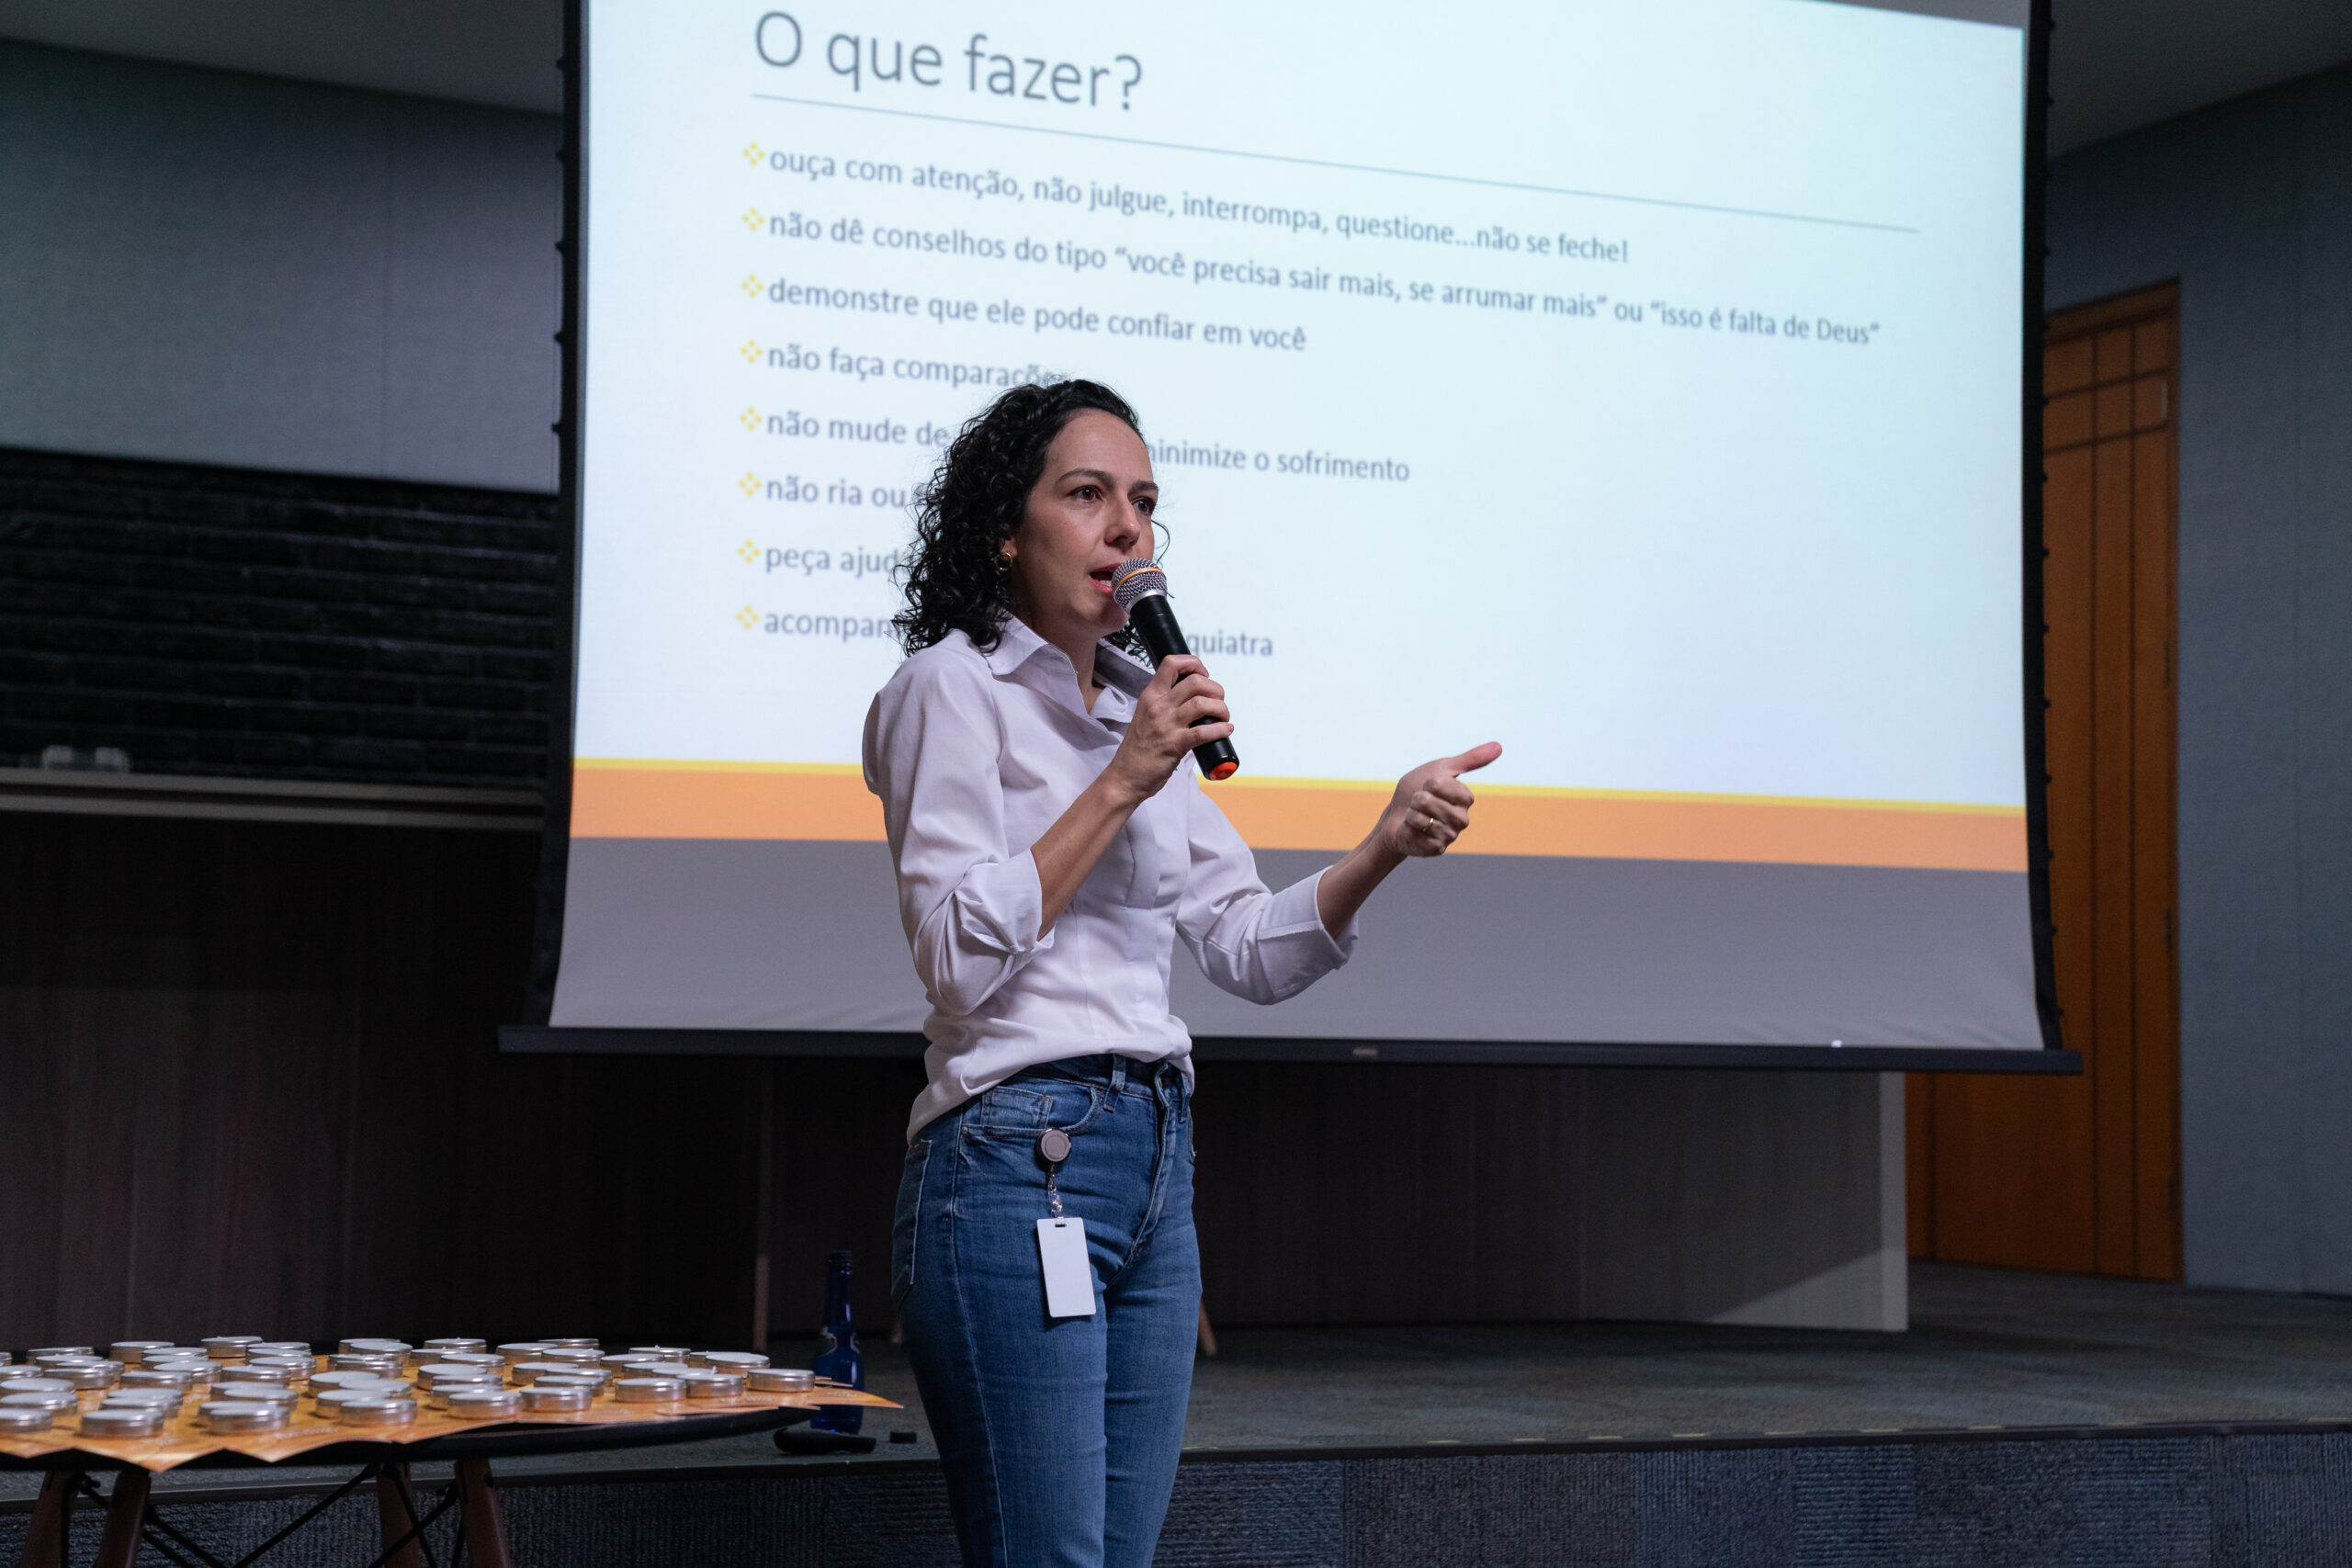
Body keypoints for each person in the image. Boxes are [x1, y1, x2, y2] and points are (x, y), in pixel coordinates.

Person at [864, 378, 1500, 1567]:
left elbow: (1248, 949)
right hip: (1017, 1163)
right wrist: (1121, 781)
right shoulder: (950, 689)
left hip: (1156, 1165)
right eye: (1088, 495)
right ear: (1007, 528)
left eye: (1144, 504)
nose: (1126, 531)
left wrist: (1382, 846)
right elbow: (953, 960)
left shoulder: (1139, 713)